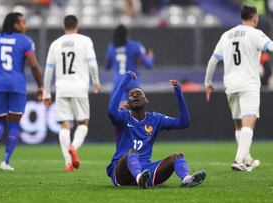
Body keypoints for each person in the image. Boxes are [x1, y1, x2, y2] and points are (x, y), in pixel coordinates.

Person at [107, 71, 206, 188]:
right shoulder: (122, 117)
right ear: (128, 103)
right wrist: (125, 81)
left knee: (177, 157)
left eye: (138, 94)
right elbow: (111, 111)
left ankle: (187, 179)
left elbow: (184, 122)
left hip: (146, 170)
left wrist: (179, 93)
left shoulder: (155, 119)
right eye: (131, 95)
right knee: (132, 152)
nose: (134, 96)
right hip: (122, 171)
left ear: (146, 100)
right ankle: (139, 179)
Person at [205, 5, 273, 171]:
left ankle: (247, 159)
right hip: (248, 83)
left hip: (231, 85)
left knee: (239, 125)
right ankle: (238, 160)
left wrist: (208, 82)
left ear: (241, 17)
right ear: (255, 18)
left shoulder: (226, 35)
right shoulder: (256, 33)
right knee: (249, 121)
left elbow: (213, 60)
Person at [0, 12, 43, 171]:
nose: (25, 25)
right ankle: (5, 161)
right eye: (23, 22)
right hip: (17, 86)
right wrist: (41, 85)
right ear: (15, 25)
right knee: (14, 124)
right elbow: (34, 65)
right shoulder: (25, 41)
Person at [43, 15, 101, 171]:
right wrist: (96, 82)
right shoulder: (85, 41)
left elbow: (48, 70)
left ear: (64, 26)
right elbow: (93, 65)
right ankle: (74, 147)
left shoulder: (55, 44)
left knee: (64, 125)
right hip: (79, 88)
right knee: (83, 122)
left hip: (61, 88)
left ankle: (68, 163)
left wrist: (46, 93)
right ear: (77, 26)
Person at [105, 24, 154, 105]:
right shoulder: (135, 46)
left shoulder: (111, 47)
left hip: (119, 83)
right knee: (136, 112)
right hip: (133, 81)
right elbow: (148, 65)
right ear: (127, 35)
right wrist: (151, 57)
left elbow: (107, 66)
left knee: (120, 113)